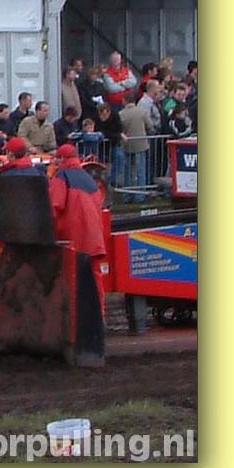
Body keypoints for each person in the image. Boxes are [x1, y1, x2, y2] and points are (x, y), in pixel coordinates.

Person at [49, 143, 108, 317]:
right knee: (95, 277)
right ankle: (99, 316)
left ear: (62, 159)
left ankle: (73, 319)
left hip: (73, 239)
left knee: (70, 279)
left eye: (57, 159)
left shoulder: (62, 176)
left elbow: (55, 206)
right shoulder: (89, 179)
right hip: (94, 238)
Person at [119, 100, 154, 203]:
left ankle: (127, 195)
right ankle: (140, 196)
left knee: (128, 171)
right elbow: (150, 125)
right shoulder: (142, 112)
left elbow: (119, 129)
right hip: (141, 144)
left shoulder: (121, 114)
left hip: (127, 145)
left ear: (124, 101)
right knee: (140, 171)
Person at [94, 102, 125, 190]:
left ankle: (113, 181)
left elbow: (119, 130)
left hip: (113, 143)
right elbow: (97, 131)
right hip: (100, 146)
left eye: (104, 115)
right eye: (100, 115)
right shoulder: (96, 118)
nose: (102, 117)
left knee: (119, 156)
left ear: (109, 112)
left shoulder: (115, 117)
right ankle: (99, 182)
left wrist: (107, 135)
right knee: (98, 163)